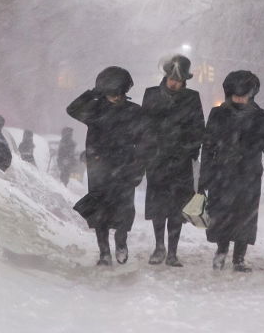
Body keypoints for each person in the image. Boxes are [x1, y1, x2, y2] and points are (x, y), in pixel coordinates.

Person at [66, 66, 151, 266]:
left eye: (117, 94)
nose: (113, 98)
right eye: (110, 94)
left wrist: (139, 169)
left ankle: (121, 243)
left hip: (125, 169)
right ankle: (104, 252)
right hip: (99, 169)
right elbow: (72, 110)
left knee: (124, 211)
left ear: (124, 93)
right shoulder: (96, 109)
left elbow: (145, 143)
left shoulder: (134, 112)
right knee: (100, 212)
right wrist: (94, 93)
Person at [199, 70, 264, 272]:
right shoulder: (218, 114)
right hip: (222, 174)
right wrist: (204, 179)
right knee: (222, 214)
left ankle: (239, 258)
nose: (240, 100)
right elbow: (208, 147)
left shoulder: (260, 116)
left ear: (252, 94)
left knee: (245, 216)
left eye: (244, 96)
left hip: (248, 175)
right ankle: (221, 251)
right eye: (236, 96)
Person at [141, 54, 205, 267]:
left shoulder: (192, 98)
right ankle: (159, 247)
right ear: (166, 77)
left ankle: (173, 252)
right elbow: (144, 126)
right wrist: (152, 151)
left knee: (177, 209)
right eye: (172, 79)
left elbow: (198, 129)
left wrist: (187, 151)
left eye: (179, 81)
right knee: (159, 208)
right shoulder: (151, 95)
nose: (174, 83)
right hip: (157, 162)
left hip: (181, 162)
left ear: (185, 81)